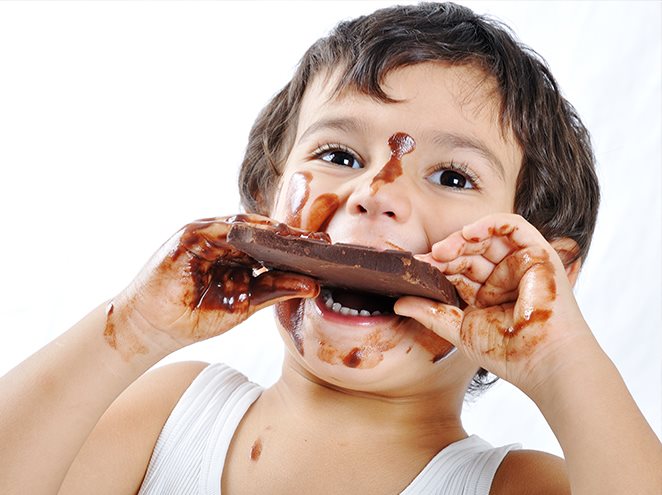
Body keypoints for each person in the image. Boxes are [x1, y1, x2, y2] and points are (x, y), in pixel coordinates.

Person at [1, 2, 660, 494]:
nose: (377, 192)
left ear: (542, 273)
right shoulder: (174, 417)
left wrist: (560, 359)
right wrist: (131, 332)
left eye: (453, 176)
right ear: (264, 202)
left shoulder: (517, 486)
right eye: (340, 155)